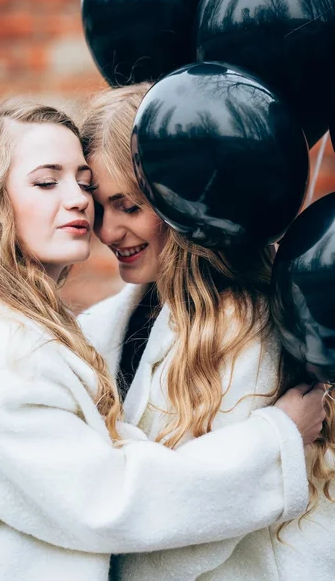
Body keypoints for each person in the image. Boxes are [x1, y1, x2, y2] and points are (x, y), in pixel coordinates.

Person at [0, 97, 323, 581]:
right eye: (46, 181)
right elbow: (111, 501)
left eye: (92, 189)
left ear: (178, 200)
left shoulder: (240, 322)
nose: (88, 210)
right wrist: (277, 441)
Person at [79, 84, 335, 580]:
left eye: (129, 207)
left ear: (183, 201)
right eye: (100, 209)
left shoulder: (249, 324)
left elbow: (185, 541)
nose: (109, 232)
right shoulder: (101, 327)